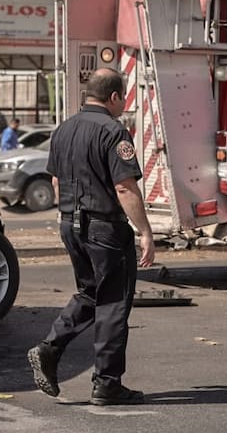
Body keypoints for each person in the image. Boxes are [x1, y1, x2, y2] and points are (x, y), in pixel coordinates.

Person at [26, 68, 155, 405]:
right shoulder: (113, 131)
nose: (123, 104)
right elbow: (125, 187)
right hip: (104, 228)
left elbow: (55, 183)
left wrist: (72, 214)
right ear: (113, 96)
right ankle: (107, 384)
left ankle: (49, 349)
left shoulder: (64, 129)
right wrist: (145, 231)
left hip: (70, 224)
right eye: (122, 98)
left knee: (89, 293)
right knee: (112, 303)